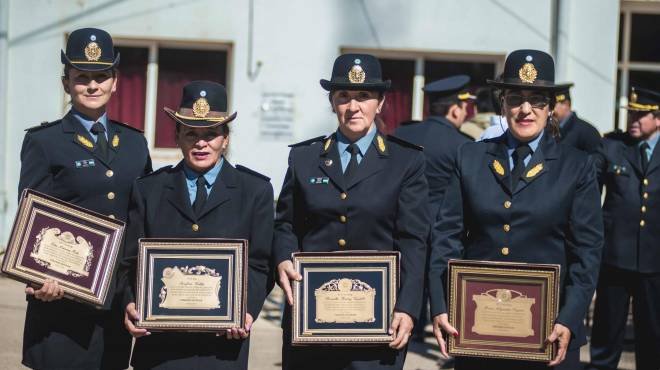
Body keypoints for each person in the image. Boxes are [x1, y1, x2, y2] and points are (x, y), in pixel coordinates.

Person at [428, 49, 603, 370]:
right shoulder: (470, 157)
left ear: (550, 107)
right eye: (514, 98)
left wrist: (570, 318)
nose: (525, 109)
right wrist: (440, 306)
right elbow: (446, 238)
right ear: (502, 104)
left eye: (536, 99)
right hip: (478, 329)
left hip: (550, 332)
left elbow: (587, 252)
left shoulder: (576, 166)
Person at [274, 53, 429, 370]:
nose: (353, 106)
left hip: (379, 319)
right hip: (312, 318)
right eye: (343, 96)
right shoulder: (304, 158)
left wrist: (408, 307)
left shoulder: (405, 162)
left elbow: (413, 240)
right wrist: (283, 257)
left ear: (380, 102)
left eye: (363, 96)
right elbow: (285, 225)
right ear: (332, 102)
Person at [17, 27, 152, 370]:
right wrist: (37, 275)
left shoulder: (135, 144)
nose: (92, 85)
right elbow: (32, 220)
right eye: (82, 77)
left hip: (115, 305)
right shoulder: (44, 142)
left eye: (101, 76)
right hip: (61, 304)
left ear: (115, 81)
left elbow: (142, 219)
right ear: (66, 83)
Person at [120, 81, 274, 370]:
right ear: (177, 136)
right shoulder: (149, 189)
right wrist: (130, 302)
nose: (201, 143)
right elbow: (130, 261)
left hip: (223, 347)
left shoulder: (255, 191)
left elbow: (259, 263)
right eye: (191, 133)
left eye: (211, 134)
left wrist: (247, 310)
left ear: (225, 139)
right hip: (159, 348)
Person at [587, 87, 660, 370]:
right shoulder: (612, 146)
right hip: (615, 256)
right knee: (607, 329)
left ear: (657, 119)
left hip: (654, 260)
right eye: (631, 113)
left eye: (641, 115)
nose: (634, 119)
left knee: (652, 333)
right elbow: (589, 188)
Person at [394, 74, 475, 218]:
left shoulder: (401, 133)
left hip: (399, 220)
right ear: (455, 110)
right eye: (464, 108)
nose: (464, 114)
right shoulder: (463, 144)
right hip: (441, 227)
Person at [553, 83, 601, 153]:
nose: (550, 111)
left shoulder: (587, 132)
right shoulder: (551, 129)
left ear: (566, 104)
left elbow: (597, 162)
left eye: (553, 105)